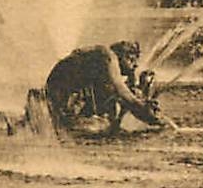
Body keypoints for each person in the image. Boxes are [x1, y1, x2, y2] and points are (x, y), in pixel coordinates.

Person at [35, 41, 176, 137]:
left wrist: (141, 91)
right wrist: (157, 118)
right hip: (59, 93)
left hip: (61, 91)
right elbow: (124, 95)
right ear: (125, 56)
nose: (135, 66)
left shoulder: (102, 62)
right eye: (133, 60)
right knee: (99, 125)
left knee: (107, 120)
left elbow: (122, 99)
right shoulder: (108, 58)